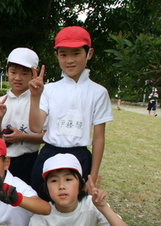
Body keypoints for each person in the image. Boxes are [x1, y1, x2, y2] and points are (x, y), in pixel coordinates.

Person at [29, 26, 113, 200]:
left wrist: (93, 176)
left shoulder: (98, 92)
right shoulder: (50, 89)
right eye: (63, 54)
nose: (69, 60)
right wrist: (35, 97)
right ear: (56, 55)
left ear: (89, 53)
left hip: (80, 157)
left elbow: (98, 138)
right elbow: (36, 127)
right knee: (44, 205)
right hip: (49, 154)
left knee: (74, 208)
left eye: (76, 53)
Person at [0, 47, 45, 185]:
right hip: (2, 160)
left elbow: (47, 136)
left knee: (28, 200)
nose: (18, 78)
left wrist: (23, 137)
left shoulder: (40, 100)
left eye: (25, 73)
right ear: (7, 71)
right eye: (13, 72)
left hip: (29, 160)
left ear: (34, 74)